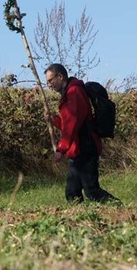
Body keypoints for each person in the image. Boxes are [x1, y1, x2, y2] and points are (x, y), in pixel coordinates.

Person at [44, 63, 118, 204]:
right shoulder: (69, 93)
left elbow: (72, 125)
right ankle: (77, 222)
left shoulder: (74, 92)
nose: (50, 85)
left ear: (60, 76)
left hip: (86, 147)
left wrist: (61, 149)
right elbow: (68, 124)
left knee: (91, 191)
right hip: (77, 149)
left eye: (51, 80)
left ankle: (121, 209)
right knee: (72, 193)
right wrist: (53, 120)